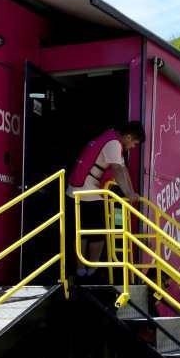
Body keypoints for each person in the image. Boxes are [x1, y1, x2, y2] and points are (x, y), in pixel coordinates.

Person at [67, 120, 144, 280]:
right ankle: (91, 270)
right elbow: (117, 170)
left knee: (84, 232)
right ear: (128, 137)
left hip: (80, 189)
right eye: (134, 143)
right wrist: (129, 194)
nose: (133, 147)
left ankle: (83, 269)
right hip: (86, 190)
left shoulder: (111, 139)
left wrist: (131, 192)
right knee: (98, 233)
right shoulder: (114, 144)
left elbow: (124, 170)